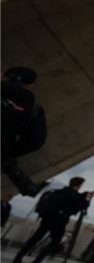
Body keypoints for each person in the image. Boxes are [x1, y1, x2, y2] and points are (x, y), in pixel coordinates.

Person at [7, 176, 93, 263]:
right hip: (59, 221)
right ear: (79, 185)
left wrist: (83, 195)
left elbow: (73, 200)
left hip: (48, 217)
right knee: (55, 242)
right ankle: (37, 261)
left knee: (35, 239)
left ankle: (18, 258)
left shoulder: (62, 191)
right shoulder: (72, 194)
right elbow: (82, 206)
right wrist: (88, 198)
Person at [1, 67, 49, 197]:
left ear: (3, 76)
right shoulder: (34, 109)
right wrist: (8, 151)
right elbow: (34, 142)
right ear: (29, 85)